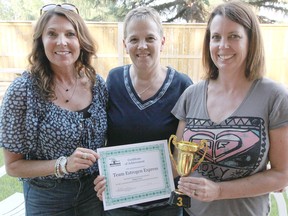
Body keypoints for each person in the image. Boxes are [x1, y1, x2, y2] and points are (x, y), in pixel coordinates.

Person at [171, 1, 288, 216]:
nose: (223, 46)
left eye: (233, 36)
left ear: (251, 41)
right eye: (216, 37)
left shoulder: (275, 97)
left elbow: (282, 175)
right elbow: (177, 164)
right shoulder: (191, 95)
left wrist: (219, 191)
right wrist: (118, 181)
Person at [0, 3, 107, 216]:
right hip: (47, 197)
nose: (62, 42)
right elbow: (13, 166)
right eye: (52, 34)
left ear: (80, 41)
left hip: (93, 193)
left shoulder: (97, 84)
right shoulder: (22, 91)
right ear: (41, 41)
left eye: (70, 34)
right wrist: (65, 164)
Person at [94, 6, 192, 216]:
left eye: (150, 38)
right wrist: (103, 176)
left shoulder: (182, 85)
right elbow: (100, 136)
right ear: (124, 44)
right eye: (134, 39)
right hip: (120, 203)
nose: (142, 46)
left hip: (166, 204)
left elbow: (184, 153)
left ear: (162, 42)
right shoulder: (114, 80)